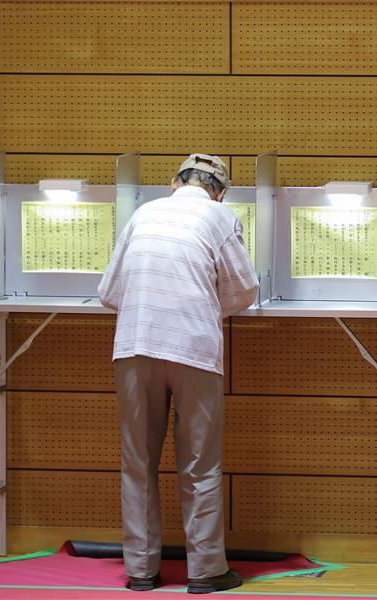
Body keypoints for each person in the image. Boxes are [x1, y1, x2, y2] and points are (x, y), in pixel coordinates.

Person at [99, 154, 258, 594]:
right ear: (220, 191)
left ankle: (141, 572)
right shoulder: (221, 216)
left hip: (135, 345)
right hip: (194, 350)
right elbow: (244, 291)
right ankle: (205, 572)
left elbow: (109, 292)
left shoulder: (142, 213)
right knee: (199, 464)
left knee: (138, 462)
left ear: (174, 183)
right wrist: (202, 305)